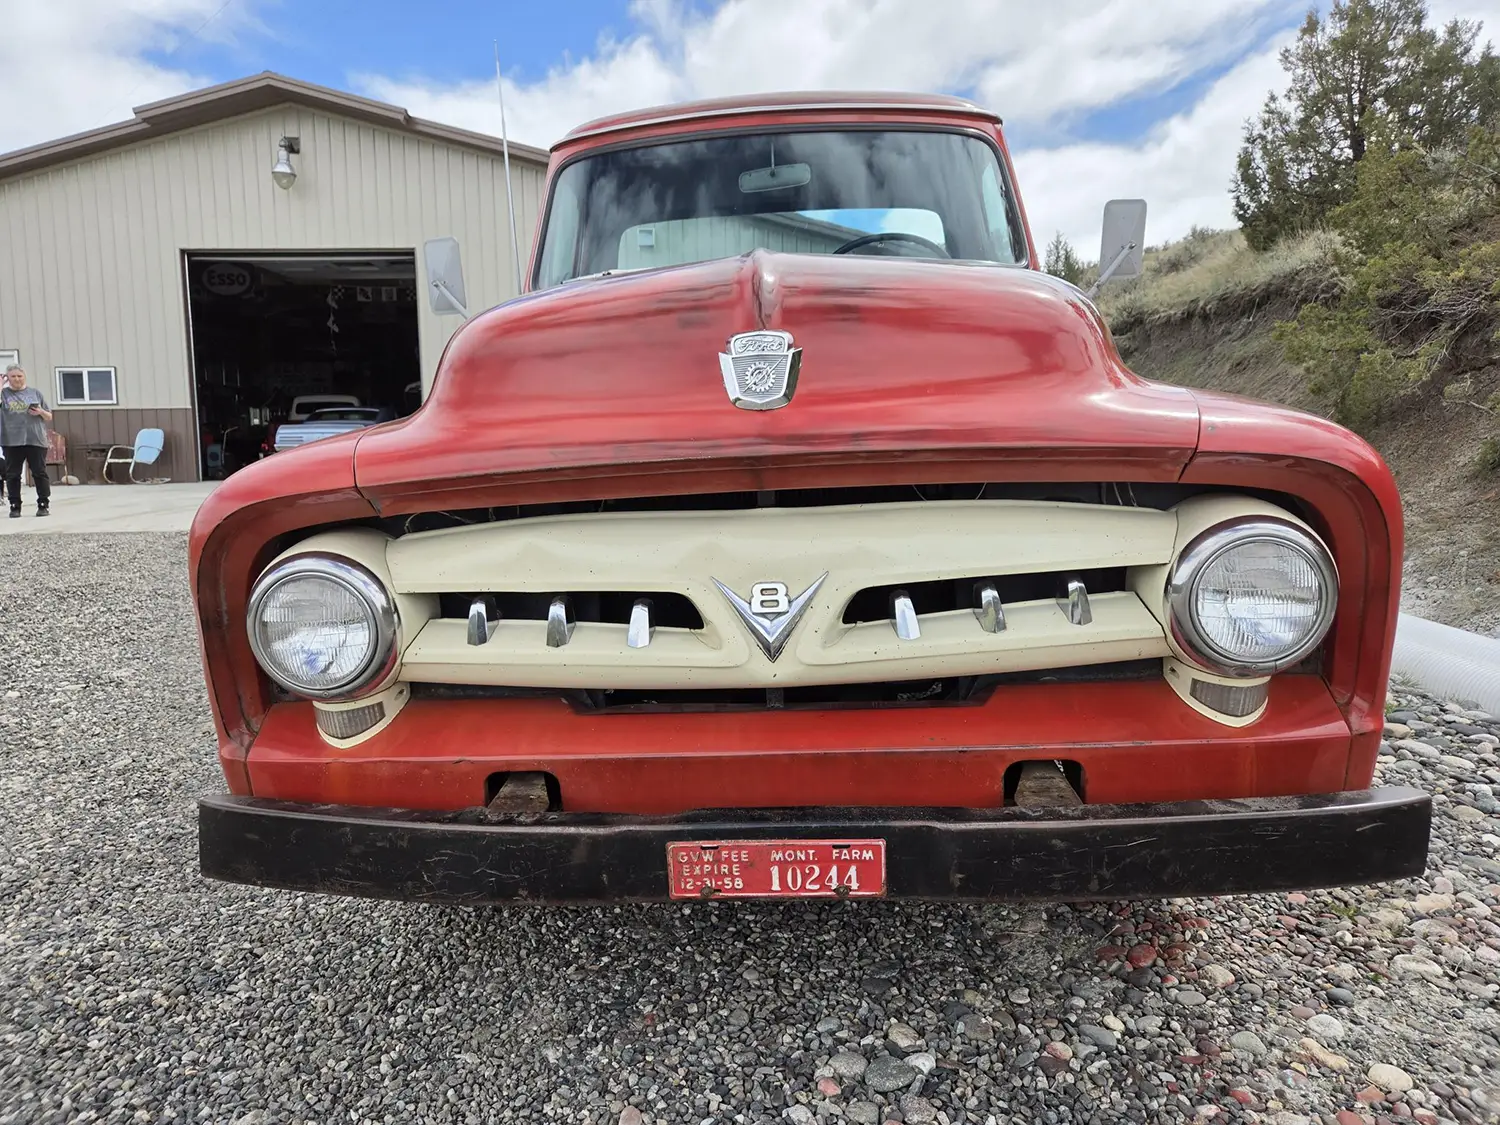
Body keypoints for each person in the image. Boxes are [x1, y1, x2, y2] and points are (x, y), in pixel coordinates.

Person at [2, 365, 53, 517]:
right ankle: (15, 506)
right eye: (13, 376)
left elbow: (49, 416)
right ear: (7, 378)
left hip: (35, 439)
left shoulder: (35, 393)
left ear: (24, 376)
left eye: (19, 376)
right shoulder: (4, 394)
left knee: (39, 472)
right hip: (11, 440)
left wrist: (40, 412)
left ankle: (43, 504)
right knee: (13, 474)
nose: (16, 379)